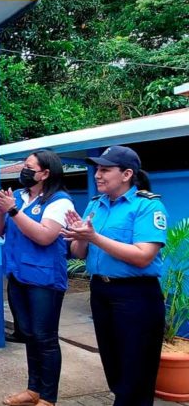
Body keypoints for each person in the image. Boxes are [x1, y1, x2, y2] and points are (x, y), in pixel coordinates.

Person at [63, 146, 167, 406]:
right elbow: (79, 253)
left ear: (127, 174)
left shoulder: (147, 206)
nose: (97, 175)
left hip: (136, 295)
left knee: (137, 367)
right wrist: (79, 236)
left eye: (105, 169)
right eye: (97, 169)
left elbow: (143, 256)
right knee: (113, 363)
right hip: (101, 291)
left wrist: (94, 236)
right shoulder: (95, 205)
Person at [0, 150, 74, 406]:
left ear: (45, 173)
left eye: (29, 166)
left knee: (45, 337)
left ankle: (48, 397)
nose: (23, 170)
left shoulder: (59, 201)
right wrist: (1, 211)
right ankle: (33, 389)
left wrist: (13, 211)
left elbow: (44, 236)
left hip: (44, 280)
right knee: (29, 335)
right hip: (18, 276)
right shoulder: (17, 197)